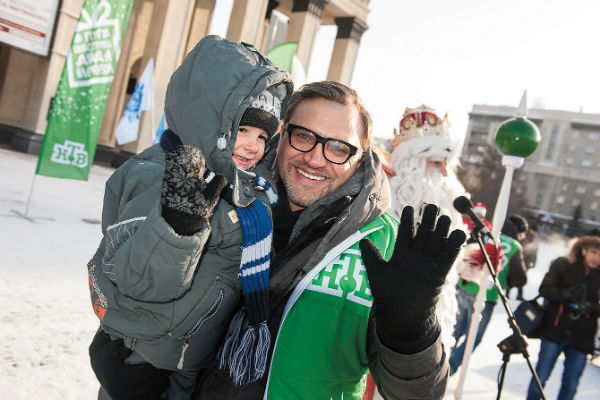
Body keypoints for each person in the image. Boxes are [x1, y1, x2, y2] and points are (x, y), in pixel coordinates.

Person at [193, 81, 467, 399]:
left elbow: (419, 394)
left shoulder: (385, 244)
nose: (315, 159)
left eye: (338, 147)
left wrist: (411, 333)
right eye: (304, 136)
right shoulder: (226, 205)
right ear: (282, 134)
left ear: (361, 157)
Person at [86, 35, 293, 400]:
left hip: (188, 356)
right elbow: (137, 281)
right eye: (242, 129)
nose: (253, 145)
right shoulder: (157, 177)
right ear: (206, 117)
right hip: (146, 360)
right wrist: (175, 231)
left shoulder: (239, 187)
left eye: (263, 135)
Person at [387, 105, 469, 350]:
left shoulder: (445, 197)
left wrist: (466, 264)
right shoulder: (389, 195)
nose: (445, 171)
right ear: (412, 162)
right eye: (436, 162)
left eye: (447, 163)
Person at [449, 214, 528, 375]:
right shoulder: (515, 246)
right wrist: (507, 279)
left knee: (455, 329)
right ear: (519, 232)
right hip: (486, 296)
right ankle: (449, 367)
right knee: (473, 339)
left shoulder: (489, 233)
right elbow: (520, 279)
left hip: (465, 287)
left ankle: (438, 362)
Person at [526, 234, 600, 400]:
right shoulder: (564, 265)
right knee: (540, 377)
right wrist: (566, 295)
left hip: (583, 337)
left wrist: (591, 307)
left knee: (571, 384)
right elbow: (545, 289)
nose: (596, 258)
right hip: (555, 329)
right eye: (594, 252)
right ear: (584, 250)